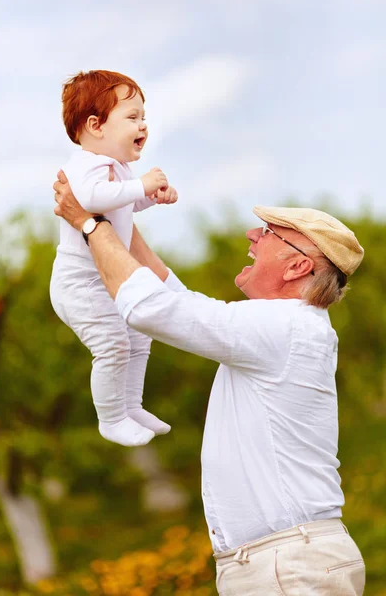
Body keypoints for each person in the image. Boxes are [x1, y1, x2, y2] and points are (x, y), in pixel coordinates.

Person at [53, 172, 366, 596]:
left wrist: (90, 225)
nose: (253, 235)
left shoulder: (285, 325)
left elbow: (151, 307)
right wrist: (120, 216)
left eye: (270, 233)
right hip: (287, 560)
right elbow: (177, 300)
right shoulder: (285, 327)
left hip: (288, 564)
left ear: (298, 265)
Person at [50, 70, 178, 447]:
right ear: (95, 125)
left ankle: (131, 406)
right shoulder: (85, 164)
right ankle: (110, 418)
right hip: (80, 286)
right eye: (133, 117)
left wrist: (151, 195)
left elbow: (125, 201)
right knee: (112, 344)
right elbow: (88, 200)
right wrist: (140, 186)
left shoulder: (118, 168)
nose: (144, 125)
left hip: (104, 281)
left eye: (144, 117)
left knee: (138, 334)